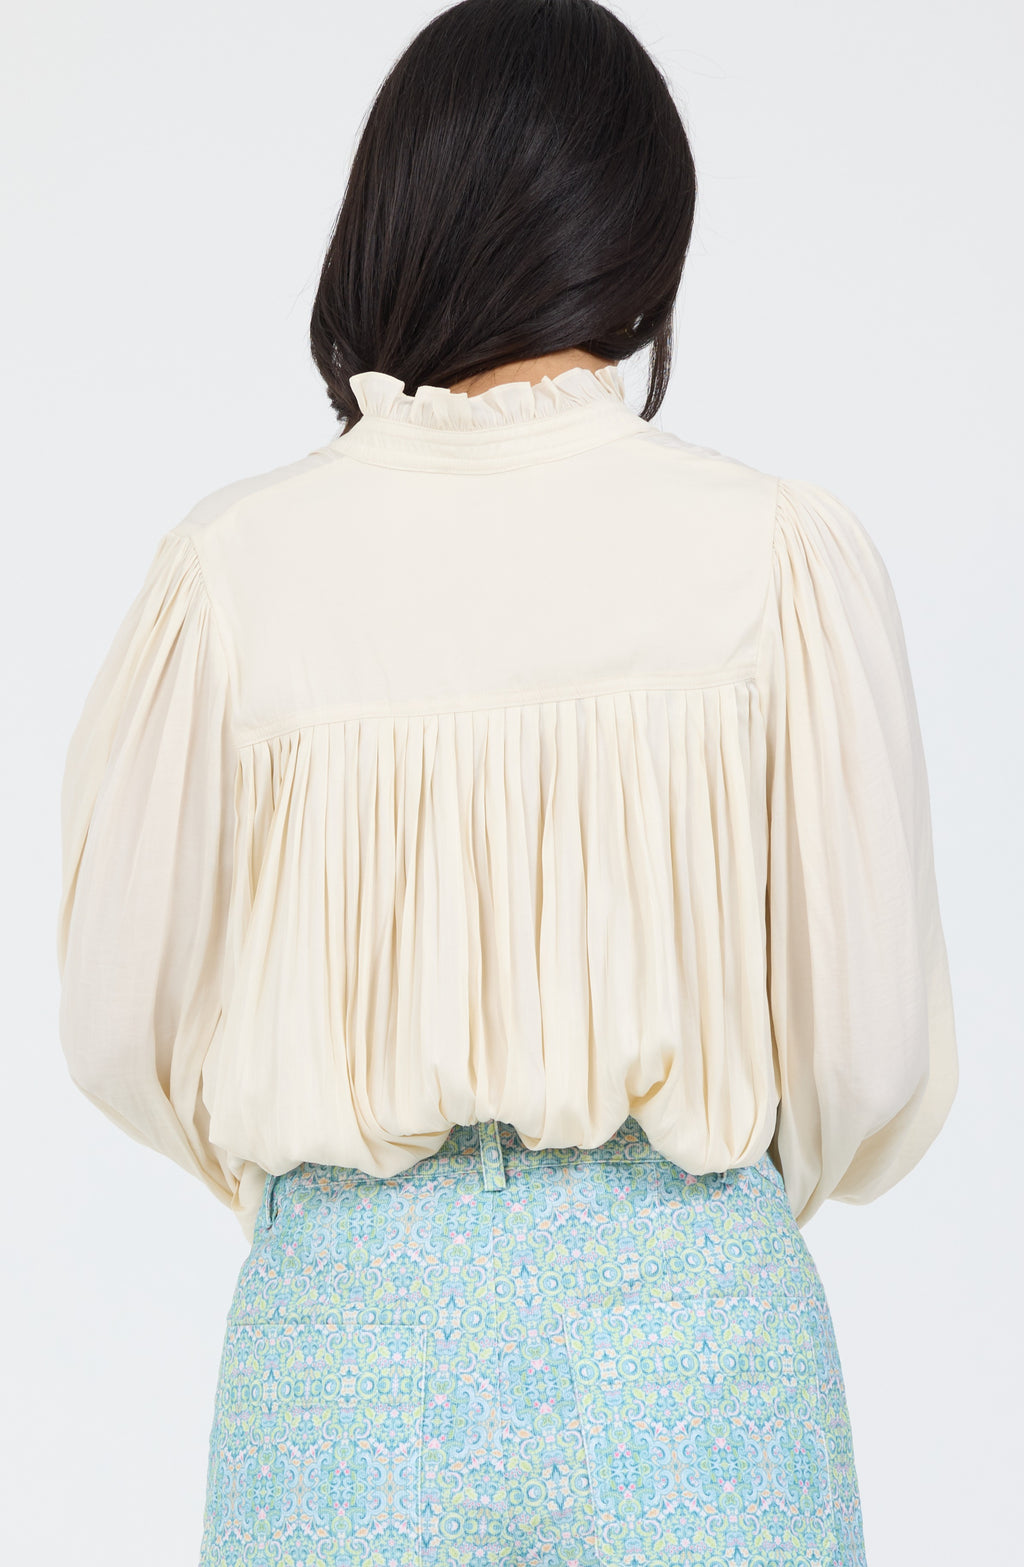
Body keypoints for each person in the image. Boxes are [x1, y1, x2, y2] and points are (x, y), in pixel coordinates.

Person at [55, 2, 958, 1563]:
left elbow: (115, 1022)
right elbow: (870, 1058)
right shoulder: (771, 554)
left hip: (342, 1352)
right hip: (693, 1337)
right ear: (643, 241)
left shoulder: (234, 571)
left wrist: (333, 1179)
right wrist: (691, 1195)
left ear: (390, 219)